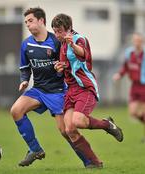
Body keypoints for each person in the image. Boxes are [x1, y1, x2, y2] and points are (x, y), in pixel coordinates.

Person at [10, 7, 91, 167]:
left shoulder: (55, 41)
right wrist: (25, 80)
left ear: (41, 21)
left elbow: (67, 64)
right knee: (16, 111)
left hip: (58, 91)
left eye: (31, 20)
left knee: (66, 131)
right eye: (26, 22)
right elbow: (25, 67)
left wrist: (61, 70)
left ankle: (89, 161)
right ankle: (35, 150)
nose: (28, 24)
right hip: (38, 90)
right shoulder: (26, 44)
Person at [51, 13, 124, 168]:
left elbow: (83, 55)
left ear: (69, 28)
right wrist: (60, 66)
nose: (57, 35)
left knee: (78, 121)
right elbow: (69, 66)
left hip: (85, 88)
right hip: (71, 90)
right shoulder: (63, 44)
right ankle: (95, 163)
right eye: (55, 31)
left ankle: (107, 125)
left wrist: (73, 45)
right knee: (69, 129)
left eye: (60, 31)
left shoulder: (78, 39)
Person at [113, 33, 145, 142]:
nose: (137, 42)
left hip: (144, 86)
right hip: (134, 86)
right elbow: (125, 67)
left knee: (142, 112)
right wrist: (119, 75)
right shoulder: (129, 53)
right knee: (133, 113)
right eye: (135, 40)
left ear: (142, 41)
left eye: (139, 40)